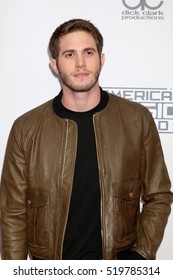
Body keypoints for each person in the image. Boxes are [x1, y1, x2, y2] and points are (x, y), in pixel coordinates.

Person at [0, 18, 172, 260]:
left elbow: (159, 195)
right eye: (69, 54)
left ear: (101, 59)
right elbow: (12, 213)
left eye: (88, 52)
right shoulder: (25, 128)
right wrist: (15, 273)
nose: (80, 63)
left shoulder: (137, 120)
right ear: (54, 64)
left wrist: (141, 255)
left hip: (116, 267)